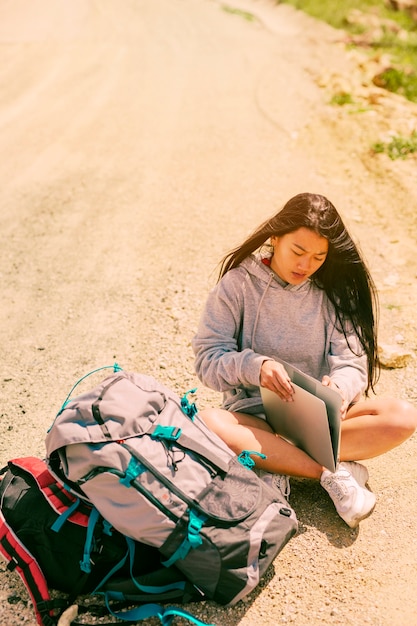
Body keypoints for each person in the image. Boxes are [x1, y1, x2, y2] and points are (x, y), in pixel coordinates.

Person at [192, 192, 417, 529]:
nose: (305, 265)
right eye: (297, 252)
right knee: (209, 423)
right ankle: (329, 472)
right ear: (275, 238)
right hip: (257, 419)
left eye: (318, 257)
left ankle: (278, 464)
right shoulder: (237, 285)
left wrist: (339, 388)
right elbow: (208, 360)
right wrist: (257, 367)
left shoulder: (334, 291)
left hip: (322, 423)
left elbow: (352, 359)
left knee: (402, 417)